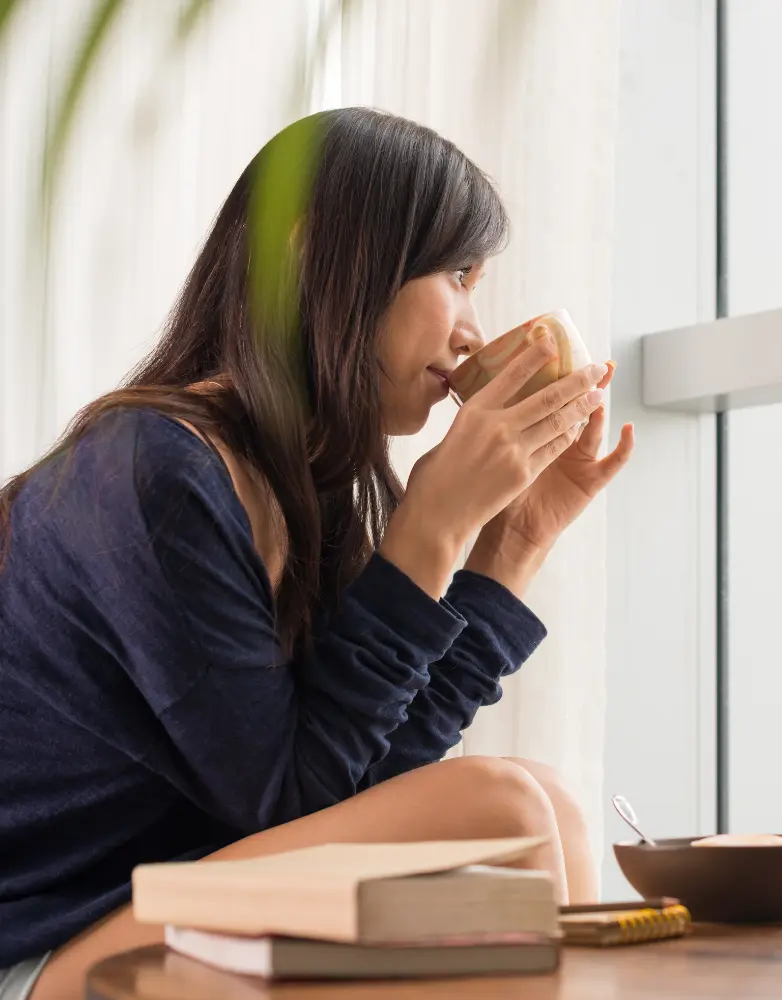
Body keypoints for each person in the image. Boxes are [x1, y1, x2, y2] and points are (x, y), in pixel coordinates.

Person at [0, 108, 634, 1000]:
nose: (469, 329)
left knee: (543, 812)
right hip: (44, 951)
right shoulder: (154, 469)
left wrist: (512, 543)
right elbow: (298, 811)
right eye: (454, 274)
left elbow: (367, 790)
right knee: (505, 812)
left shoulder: (304, 487)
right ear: (310, 256)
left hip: (171, 915)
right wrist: (428, 534)